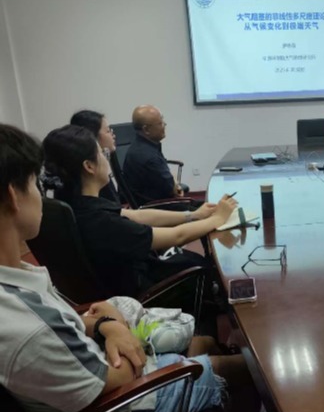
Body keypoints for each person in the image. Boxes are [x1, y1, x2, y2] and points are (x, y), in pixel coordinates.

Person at [0, 123, 267, 412]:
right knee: (250, 369)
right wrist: (119, 326)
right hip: (128, 410)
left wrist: (106, 324)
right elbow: (124, 374)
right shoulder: (29, 327)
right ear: (13, 197)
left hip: (107, 371)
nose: (40, 195)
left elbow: (68, 324)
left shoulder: (17, 282)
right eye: (34, 184)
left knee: (208, 344)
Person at [42, 125, 235, 298]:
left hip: (129, 277)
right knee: (201, 266)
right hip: (147, 294)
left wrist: (193, 215)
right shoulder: (100, 221)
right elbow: (177, 236)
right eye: (102, 153)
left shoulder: (77, 205)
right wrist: (217, 218)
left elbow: (138, 215)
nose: (106, 157)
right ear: (89, 166)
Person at [123, 105, 188, 206]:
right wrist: (176, 185)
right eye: (160, 123)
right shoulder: (149, 158)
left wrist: (174, 183)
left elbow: (169, 180)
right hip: (158, 207)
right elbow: (172, 190)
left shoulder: (143, 146)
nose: (164, 125)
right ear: (146, 129)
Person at [70, 109, 121, 203]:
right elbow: (112, 208)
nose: (113, 135)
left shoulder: (111, 156)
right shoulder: (93, 176)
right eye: (108, 131)